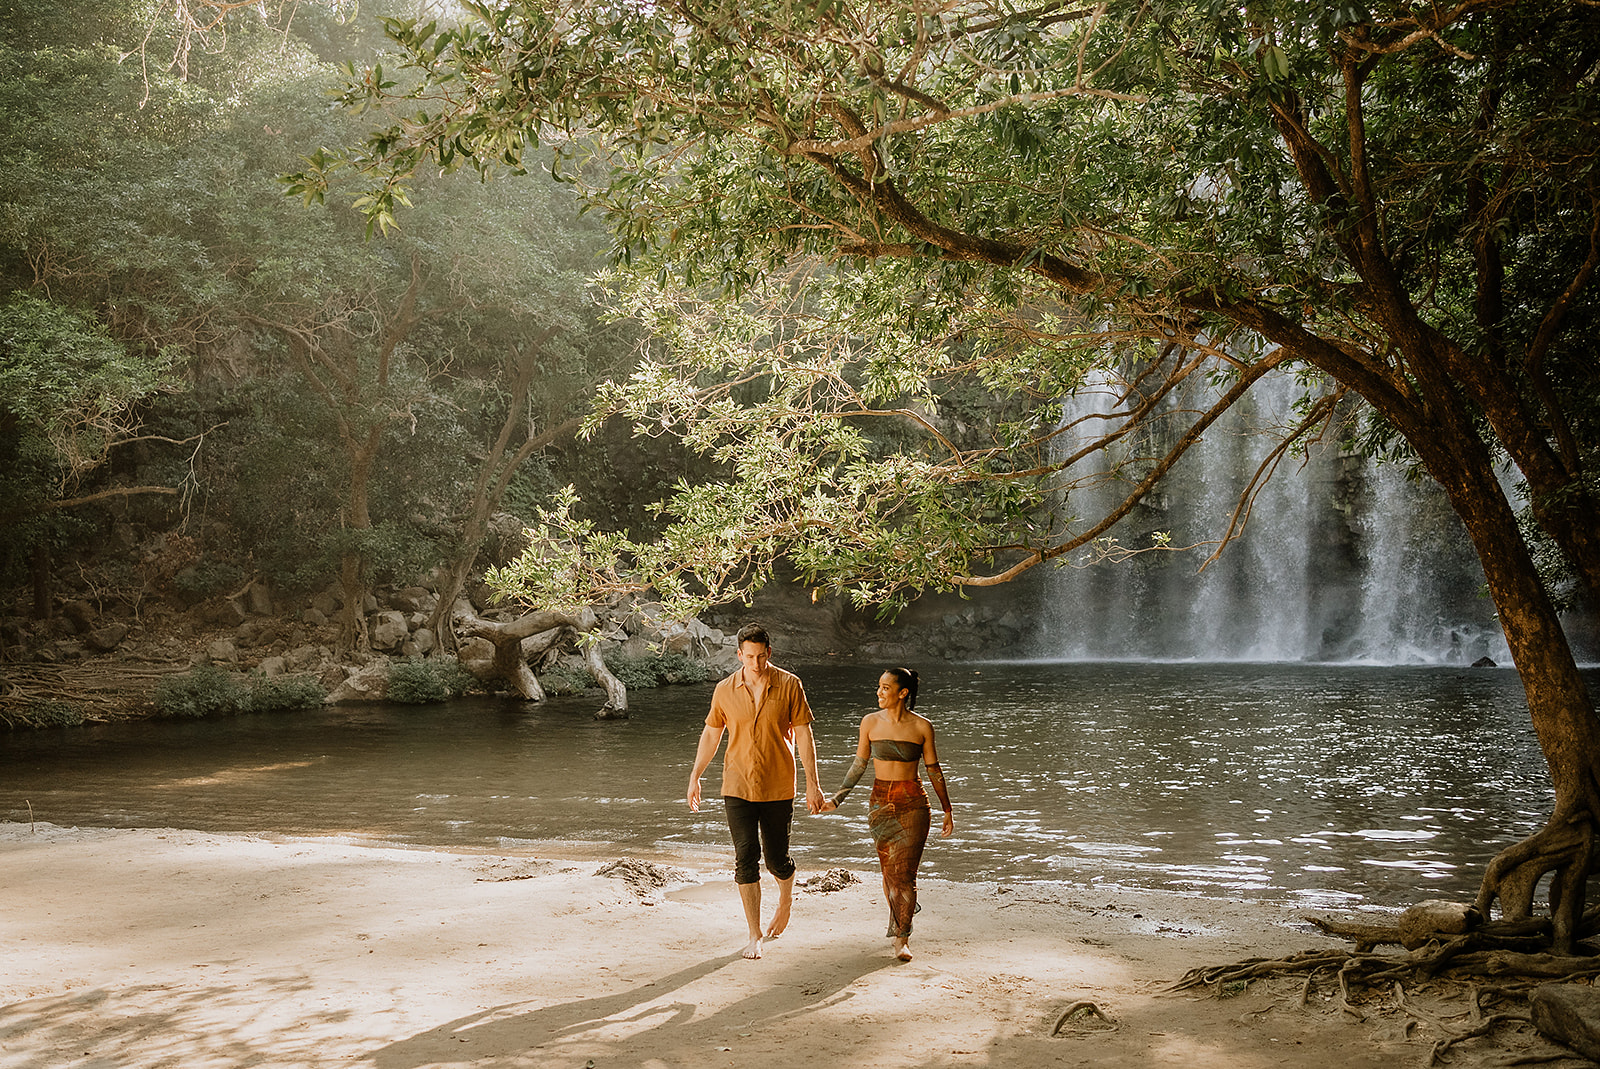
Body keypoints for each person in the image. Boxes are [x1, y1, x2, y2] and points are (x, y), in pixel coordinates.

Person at [687, 623, 825, 959]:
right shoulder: (724, 689)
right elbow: (711, 735)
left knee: (778, 860)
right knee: (746, 858)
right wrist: (695, 776)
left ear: (769, 653)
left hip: (779, 785)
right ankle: (754, 934)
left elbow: (805, 736)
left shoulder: (791, 685)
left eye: (761, 656)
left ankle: (786, 897)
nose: (756, 662)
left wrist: (813, 784)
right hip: (736, 785)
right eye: (749, 656)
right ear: (739, 655)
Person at [820, 667, 953, 961]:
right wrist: (836, 800)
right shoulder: (869, 723)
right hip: (880, 803)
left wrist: (947, 809)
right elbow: (859, 765)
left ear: (902, 693)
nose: (878, 692)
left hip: (914, 803)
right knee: (890, 873)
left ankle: (901, 938)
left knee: (904, 874)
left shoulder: (922, 727)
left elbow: (934, 770)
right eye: (878, 687)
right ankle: (899, 923)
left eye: (884, 688)